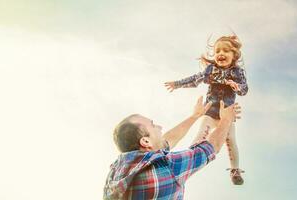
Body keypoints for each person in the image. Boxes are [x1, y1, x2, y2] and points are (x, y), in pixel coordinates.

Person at [103, 97, 240, 200]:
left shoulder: (116, 171)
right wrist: (227, 119)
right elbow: (211, 147)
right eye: (153, 125)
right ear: (145, 141)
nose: (160, 127)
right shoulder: (165, 167)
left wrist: (194, 116)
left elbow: (166, 141)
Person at [164, 35, 248, 185]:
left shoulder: (237, 72)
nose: (221, 53)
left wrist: (237, 87)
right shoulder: (210, 70)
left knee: (230, 140)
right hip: (210, 110)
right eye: (217, 51)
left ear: (234, 55)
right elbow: (194, 79)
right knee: (201, 133)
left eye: (226, 51)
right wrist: (177, 84)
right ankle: (189, 160)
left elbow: (244, 89)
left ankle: (235, 169)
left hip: (226, 113)